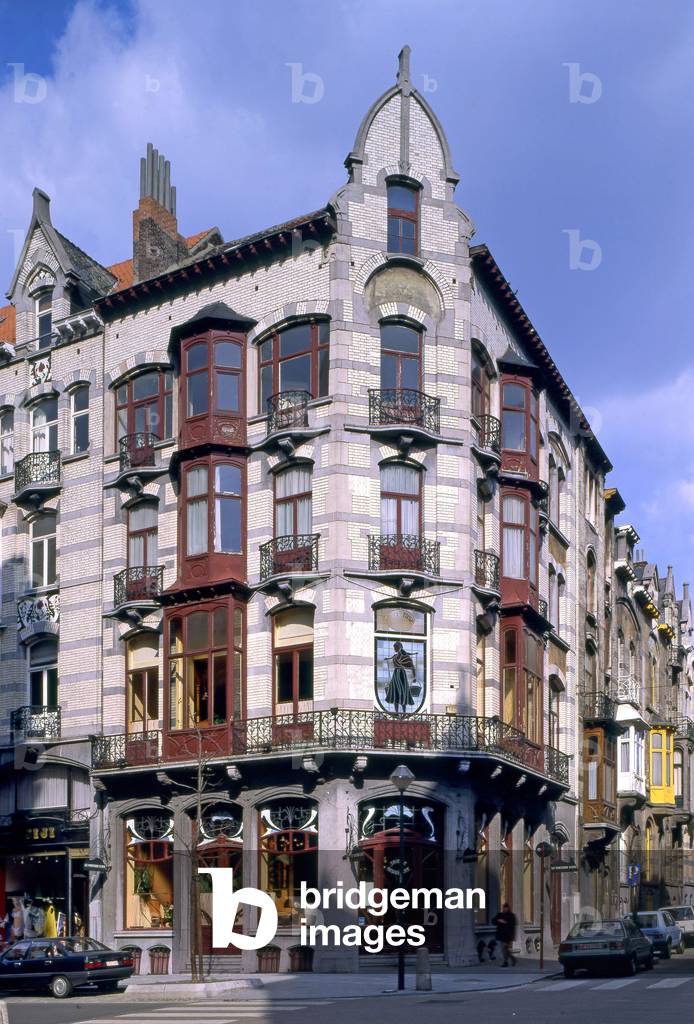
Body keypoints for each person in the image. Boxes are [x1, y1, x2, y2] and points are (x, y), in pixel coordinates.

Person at [384, 642, 416, 713]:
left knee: (403, 691)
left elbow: (411, 666)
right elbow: (391, 658)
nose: (394, 649)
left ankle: (404, 711)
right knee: (394, 692)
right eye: (394, 647)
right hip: (395, 674)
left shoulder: (404, 656)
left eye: (396, 647)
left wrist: (414, 677)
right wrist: (387, 658)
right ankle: (396, 712)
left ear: (399, 647)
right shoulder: (395, 656)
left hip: (401, 674)